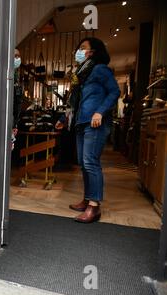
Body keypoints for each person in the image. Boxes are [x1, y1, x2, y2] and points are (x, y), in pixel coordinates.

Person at [56, 37, 120, 224]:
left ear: (93, 52)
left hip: (95, 122)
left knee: (91, 162)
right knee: (83, 163)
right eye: (79, 48)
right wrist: (63, 118)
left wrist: (100, 112)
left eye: (83, 48)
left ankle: (94, 206)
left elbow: (115, 92)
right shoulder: (81, 75)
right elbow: (74, 102)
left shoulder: (100, 69)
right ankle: (87, 198)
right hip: (80, 122)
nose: (79, 51)